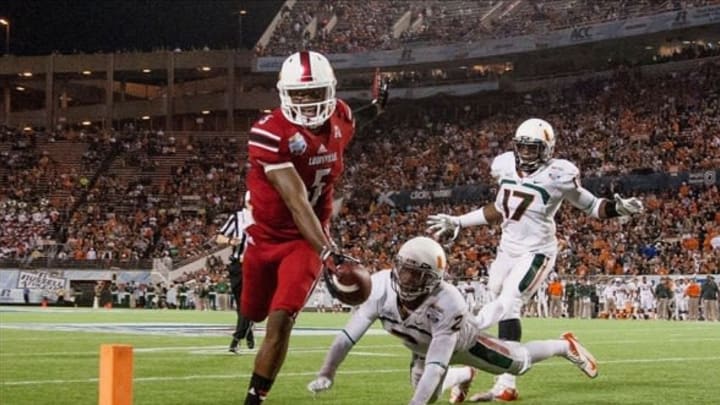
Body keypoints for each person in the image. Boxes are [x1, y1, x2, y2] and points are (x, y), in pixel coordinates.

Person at [426, 118, 643, 401]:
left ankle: (499, 372)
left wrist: (619, 208)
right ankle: (490, 377)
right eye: (523, 148)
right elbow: (501, 209)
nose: (527, 154)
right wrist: (459, 221)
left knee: (506, 305)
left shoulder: (558, 176)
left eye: (533, 149)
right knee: (498, 306)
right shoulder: (504, 166)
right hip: (506, 249)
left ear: (548, 149)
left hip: (536, 252)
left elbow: (592, 206)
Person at [241, 50, 387, 404]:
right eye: (299, 94)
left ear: (330, 91)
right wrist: (330, 252)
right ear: (284, 94)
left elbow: (356, 121)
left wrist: (378, 106)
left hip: (305, 241)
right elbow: (295, 200)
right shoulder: (269, 132)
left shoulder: (341, 117)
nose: (307, 103)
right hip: (265, 237)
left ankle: (254, 398)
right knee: (252, 312)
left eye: (314, 93)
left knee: (280, 321)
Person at [306, 237, 598, 404]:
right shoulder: (381, 286)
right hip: (421, 345)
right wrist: (328, 372)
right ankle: (462, 376)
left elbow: (436, 365)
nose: (406, 279)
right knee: (428, 397)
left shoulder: (448, 304)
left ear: (432, 279)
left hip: (462, 342)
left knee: (519, 362)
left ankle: (564, 345)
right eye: (404, 270)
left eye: (416, 274)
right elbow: (347, 336)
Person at [215, 192, 254, 353]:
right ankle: (248, 330)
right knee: (241, 305)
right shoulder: (238, 217)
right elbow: (219, 237)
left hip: (255, 266)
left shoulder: (265, 219)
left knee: (247, 302)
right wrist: (231, 241)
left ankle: (236, 339)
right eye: (252, 201)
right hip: (237, 265)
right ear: (246, 202)